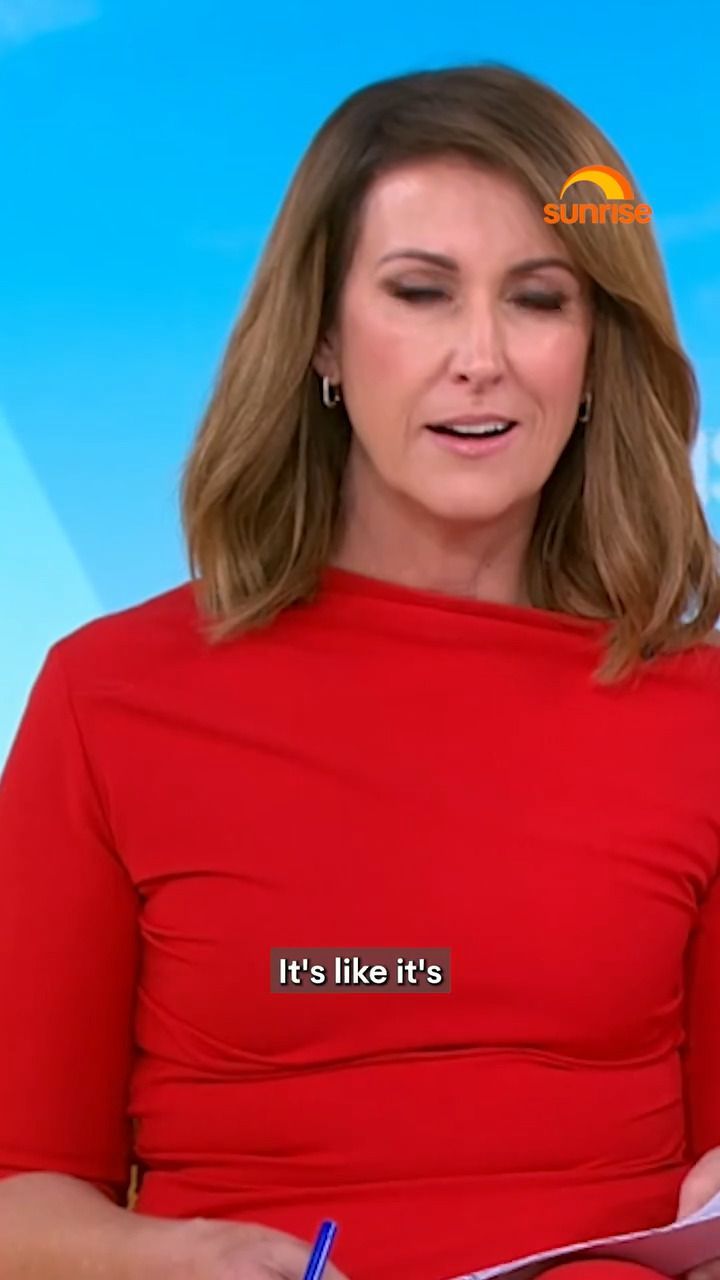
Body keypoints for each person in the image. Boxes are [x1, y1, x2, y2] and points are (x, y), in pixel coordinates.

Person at [0, 60, 719, 1280]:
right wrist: (177, 1259)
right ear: (325, 338)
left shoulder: (698, 713)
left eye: (538, 299)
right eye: (421, 292)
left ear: (596, 352)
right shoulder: (108, 698)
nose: (481, 355)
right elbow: (20, 1196)